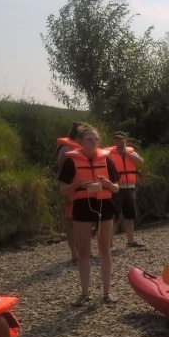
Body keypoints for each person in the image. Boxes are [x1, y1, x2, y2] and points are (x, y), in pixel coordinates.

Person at [58, 125, 120, 306]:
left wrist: (107, 184)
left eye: (96, 139)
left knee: (105, 250)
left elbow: (116, 188)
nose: (94, 142)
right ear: (81, 142)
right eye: (90, 139)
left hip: (104, 206)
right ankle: (85, 293)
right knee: (84, 252)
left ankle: (107, 292)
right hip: (82, 207)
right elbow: (63, 190)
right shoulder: (71, 162)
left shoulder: (107, 160)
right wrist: (77, 184)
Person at [54, 122, 88, 262]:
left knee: (84, 221)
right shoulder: (66, 149)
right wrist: (68, 195)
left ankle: (83, 252)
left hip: (84, 189)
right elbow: (64, 173)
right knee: (71, 222)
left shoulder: (81, 148)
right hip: (71, 188)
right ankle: (74, 254)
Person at [106, 131, 145, 248]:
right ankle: (109, 243)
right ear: (114, 141)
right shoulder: (109, 153)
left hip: (130, 188)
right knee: (114, 216)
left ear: (125, 140)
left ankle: (131, 241)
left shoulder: (131, 152)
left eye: (121, 139)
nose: (119, 141)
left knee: (129, 216)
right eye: (117, 139)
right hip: (116, 188)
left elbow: (140, 162)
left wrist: (126, 154)